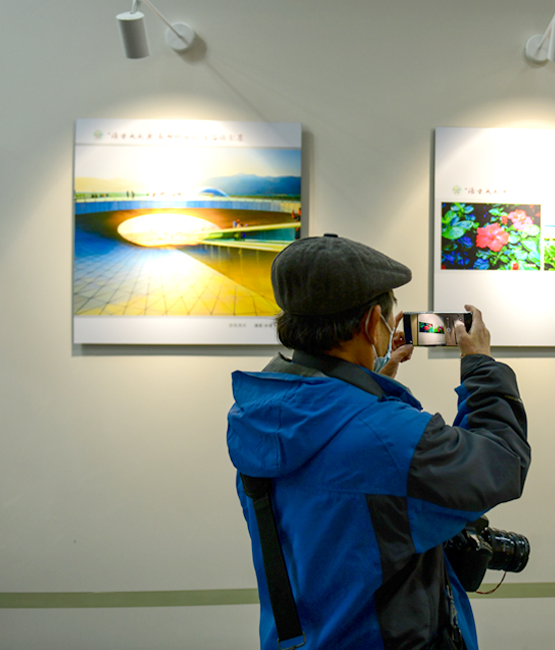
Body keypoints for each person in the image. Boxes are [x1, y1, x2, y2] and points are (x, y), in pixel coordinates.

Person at [227, 234, 530, 650]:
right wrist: (480, 366)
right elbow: (502, 462)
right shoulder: (388, 439)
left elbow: (342, 517)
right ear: (373, 324)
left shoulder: (259, 420)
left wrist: (373, 384)